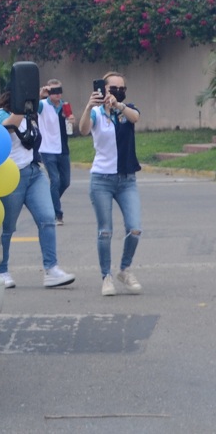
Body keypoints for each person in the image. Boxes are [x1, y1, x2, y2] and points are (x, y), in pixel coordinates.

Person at [0, 91, 75, 290]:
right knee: (8, 226)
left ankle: (51, 269)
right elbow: (4, 130)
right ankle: (1, 270)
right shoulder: (2, 114)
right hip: (11, 176)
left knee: (47, 218)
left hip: (34, 172)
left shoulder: (30, 115)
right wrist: (21, 107)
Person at [78, 71, 143, 297]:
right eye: (113, 88)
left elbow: (135, 117)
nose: (117, 91)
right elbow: (83, 129)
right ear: (103, 89)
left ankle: (124, 270)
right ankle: (106, 276)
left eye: (121, 88)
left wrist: (119, 105)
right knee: (105, 231)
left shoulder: (127, 109)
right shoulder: (96, 112)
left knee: (134, 228)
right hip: (102, 180)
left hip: (127, 179)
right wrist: (88, 107)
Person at [37, 78, 71, 224]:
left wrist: (71, 120)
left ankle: (50, 203)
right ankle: (57, 214)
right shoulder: (42, 105)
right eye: (53, 91)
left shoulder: (65, 106)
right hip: (47, 147)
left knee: (65, 181)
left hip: (62, 147)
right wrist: (40, 94)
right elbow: (31, 107)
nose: (57, 95)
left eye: (59, 91)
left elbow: (69, 123)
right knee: (55, 180)